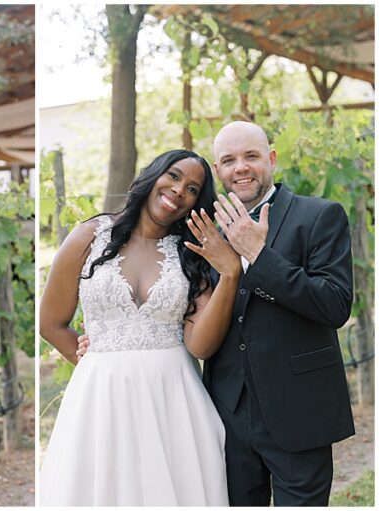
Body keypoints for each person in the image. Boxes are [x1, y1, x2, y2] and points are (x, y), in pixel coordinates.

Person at [39, 149, 239, 505]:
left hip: (173, 398)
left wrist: (229, 275)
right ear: (154, 175)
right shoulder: (89, 235)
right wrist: (93, 361)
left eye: (193, 189)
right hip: (101, 397)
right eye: (174, 176)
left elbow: (201, 346)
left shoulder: (190, 253)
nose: (180, 191)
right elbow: (51, 323)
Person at [203, 121, 354, 505]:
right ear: (218, 170)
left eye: (251, 156)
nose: (241, 167)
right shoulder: (208, 233)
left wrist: (259, 255)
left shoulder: (320, 216)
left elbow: (335, 305)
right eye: (229, 160)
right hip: (228, 413)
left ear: (270, 159)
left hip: (299, 408)